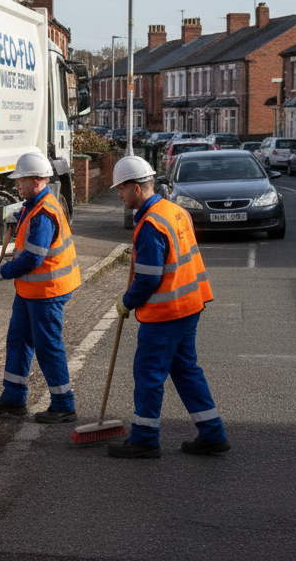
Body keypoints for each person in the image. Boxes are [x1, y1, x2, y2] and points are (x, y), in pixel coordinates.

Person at [108, 154, 230, 458]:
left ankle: (144, 439)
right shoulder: (174, 211)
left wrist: (126, 302)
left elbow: (148, 279)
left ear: (137, 187)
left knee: (148, 375)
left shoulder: (150, 224)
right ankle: (212, 433)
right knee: (186, 370)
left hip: (165, 314)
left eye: (121, 188)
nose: (119, 194)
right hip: (189, 305)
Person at [0, 151, 82, 424]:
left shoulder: (44, 213)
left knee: (47, 346)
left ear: (36, 181)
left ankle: (63, 404)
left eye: (20, 181)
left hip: (48, 291)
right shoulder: (32, 206)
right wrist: (17, 216)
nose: (16, 185)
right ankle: (13, 398)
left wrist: (1, 272)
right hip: (31, 291)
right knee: (18, 340)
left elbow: (33, 259)